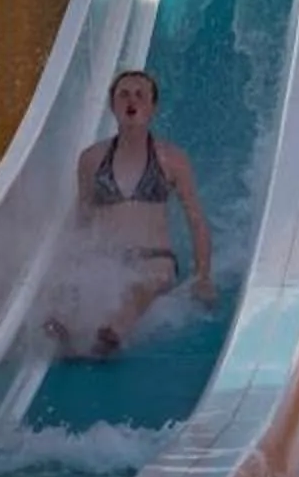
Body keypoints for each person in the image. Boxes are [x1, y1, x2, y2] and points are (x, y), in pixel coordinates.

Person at [48, 68, 214, 358]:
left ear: (152, 106)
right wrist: (68, 263)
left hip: (155, 260)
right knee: (75, 288)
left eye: (140, 95)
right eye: (123, 94)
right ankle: (66, 329)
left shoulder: (172, 159)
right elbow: (82, 217)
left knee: (140, 288)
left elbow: (196, 220)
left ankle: (112, 333)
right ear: (112, 105)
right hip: (107, 255)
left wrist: (203, 275)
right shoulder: (91, 159)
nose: (131, 100)